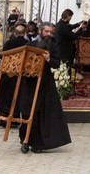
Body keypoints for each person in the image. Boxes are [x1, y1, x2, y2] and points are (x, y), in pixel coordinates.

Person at [18, 22, 71, 153]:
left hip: (45, 84)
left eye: (51, 32)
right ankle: (25, 140)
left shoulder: (53, 46)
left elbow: (57, 64)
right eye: (46, 31)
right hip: (29, 83)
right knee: (27, 112)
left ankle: (39, 144)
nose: (49, 34)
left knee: (42, 113)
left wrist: (48, 59)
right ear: (41, 31)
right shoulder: (30, 45)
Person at [0, 23, 29, 127]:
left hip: (8, 74)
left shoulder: (9, 43)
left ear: (14, 33)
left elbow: (2, 57)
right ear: (25, 33)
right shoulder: (28, 44)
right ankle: (15, 118)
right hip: (22, 76)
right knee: (17, 96)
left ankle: (3, 117)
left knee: (2, 95)